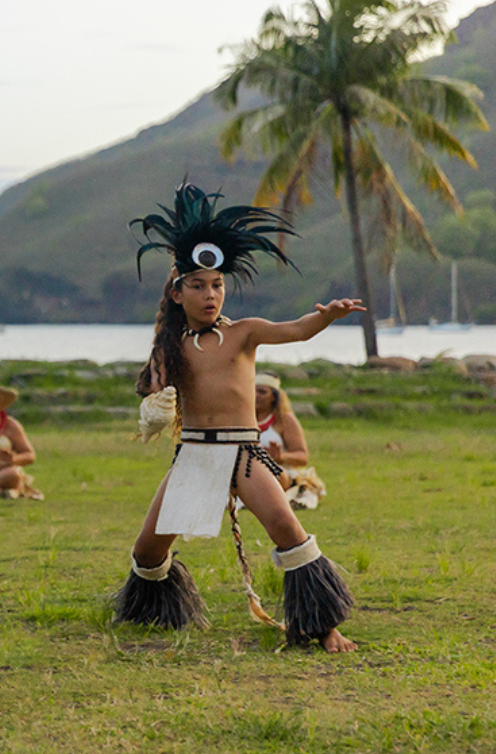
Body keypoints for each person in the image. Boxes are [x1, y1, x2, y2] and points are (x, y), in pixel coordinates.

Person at [114, 183, 360, 653]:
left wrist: (325, 318)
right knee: (148, 551)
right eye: (199, 286)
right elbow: (149, 386)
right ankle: (156, 610)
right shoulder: (173, 344)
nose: (211, 295)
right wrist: (157, 382)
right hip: (195, 457)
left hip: (245, 455)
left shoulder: (245, 333)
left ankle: (324, 627)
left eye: (218, 285)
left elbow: (295, 330)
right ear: (177, 291)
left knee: (289, 532)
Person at [255, 372, 326, 509]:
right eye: (253, 392)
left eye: (262, 392)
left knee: (273, 472)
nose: (256, 396)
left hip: (279, 473)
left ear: (274, 397)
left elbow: (302, 456)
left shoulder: (285, 420)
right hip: (247, 470)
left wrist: (280, 456)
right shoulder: (242, 420)